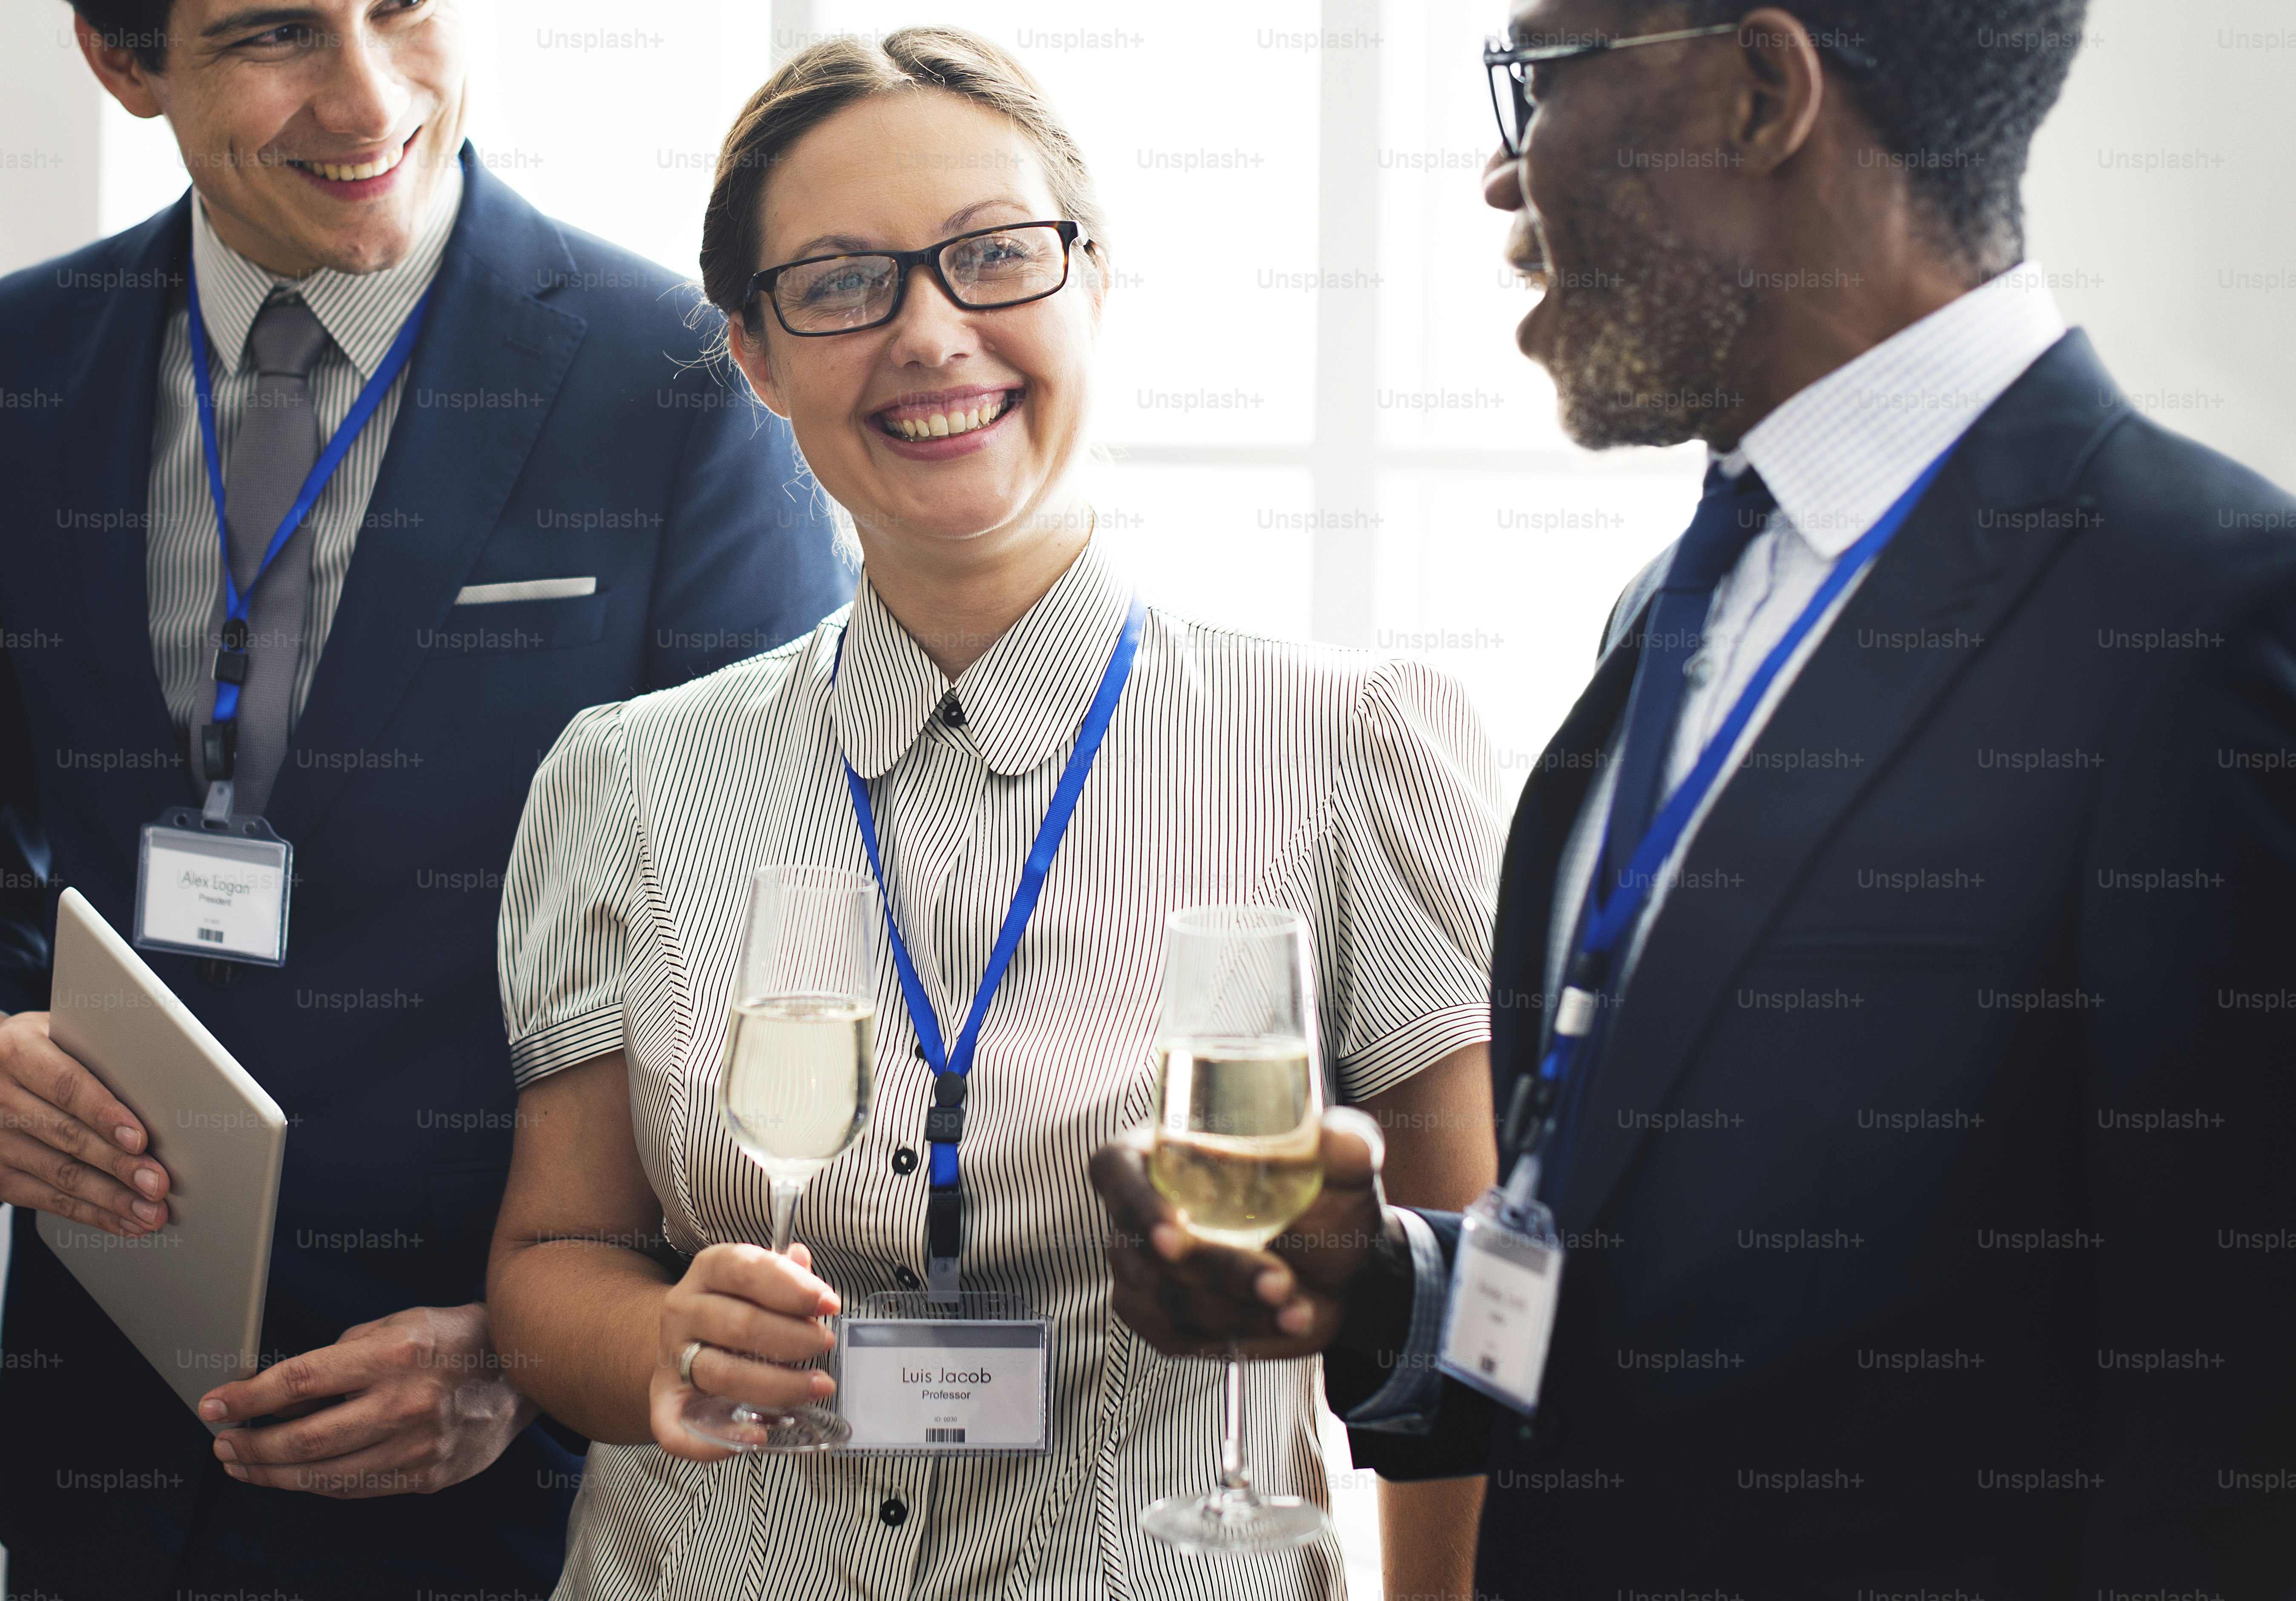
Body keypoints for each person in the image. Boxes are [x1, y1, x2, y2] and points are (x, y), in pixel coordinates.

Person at [1093, 0, 2296, 1592]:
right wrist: (1379, 1288)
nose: (1502, 175)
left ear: (1757, 93)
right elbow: (1655, 1273)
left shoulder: (2210, 623)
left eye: (1543, 80)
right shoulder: (1672, 610)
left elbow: (2233, 1459)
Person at [484, 27, 1501, 1601]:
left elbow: (1472, 1331)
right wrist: (655, 1341)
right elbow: (552, 1264)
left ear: (1095, 282)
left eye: (995, 259)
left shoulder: (1355, 744)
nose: (929, 335)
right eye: (838, 284)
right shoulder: (624, 776)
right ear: (754, 357)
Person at [0, 0, 845, 1592]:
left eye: (401, 7)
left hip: (504, 1490)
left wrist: (539, 1346)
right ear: (123, 66)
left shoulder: (686, 389)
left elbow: (789, 948)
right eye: (274, 34)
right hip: (97, 1445)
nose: (369, 94)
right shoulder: (17, 365)